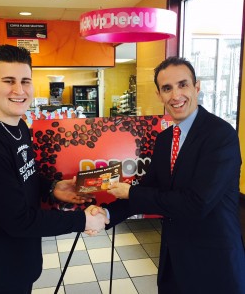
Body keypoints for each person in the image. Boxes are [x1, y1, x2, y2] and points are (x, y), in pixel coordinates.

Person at [0, 44, 108, 294]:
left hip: (16, 264)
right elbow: (18, 220)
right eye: (9, 81)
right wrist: (83, 219)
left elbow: (23, 177)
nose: (19, 90)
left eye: (25, 81)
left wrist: (54, 187)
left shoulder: (19, 126)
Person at [94, 56, 245, 293]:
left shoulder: (220, 136)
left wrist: (131, 192)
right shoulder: (165, 140)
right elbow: (148, 188)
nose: (176, 95)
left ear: (197, 87)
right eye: (167, 88)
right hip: (173, 261)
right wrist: (106, 214)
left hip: (213, 264)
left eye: (182, 84)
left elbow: (197, 203)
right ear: (159, 95)